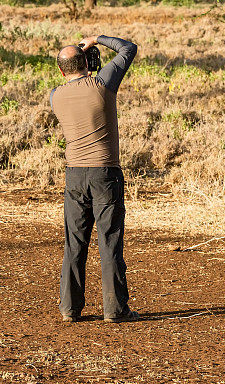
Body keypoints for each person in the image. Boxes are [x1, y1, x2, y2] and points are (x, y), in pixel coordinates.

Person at [50, 33, 139, 323]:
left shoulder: (55, 95)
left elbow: (73, 78)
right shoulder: (102, 84)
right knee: (109, 240)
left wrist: (81, 54)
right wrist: (96, 39)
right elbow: (128, 48)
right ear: (88, 61)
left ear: (62, 71)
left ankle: (70, 309)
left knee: (74, 242)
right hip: (105, 173)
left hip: (74, 175)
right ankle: (114, 309)